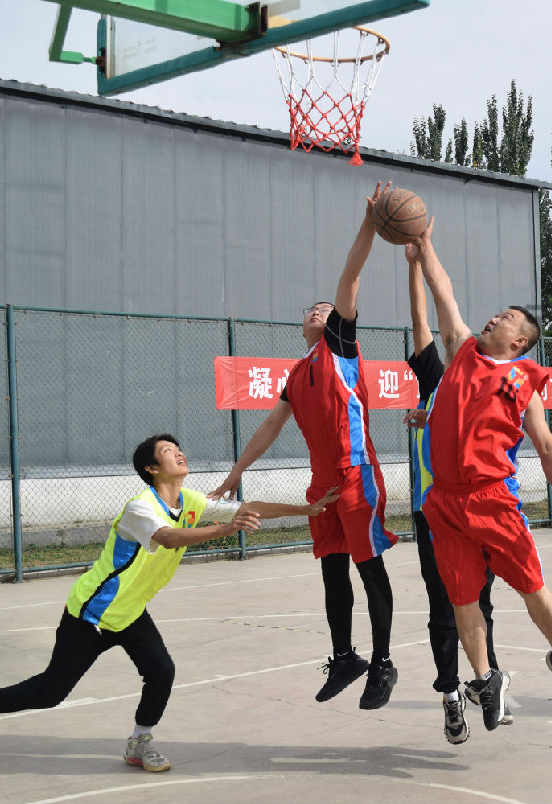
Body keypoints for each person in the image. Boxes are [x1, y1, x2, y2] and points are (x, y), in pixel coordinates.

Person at [0, 433, 336, 771]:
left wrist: (306, 509)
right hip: (93, 613)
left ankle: (139, 742)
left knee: (161, 671)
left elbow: (248, 507)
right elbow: (168, 537)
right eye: (168, 451)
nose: (179, 453)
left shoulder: (190, 500)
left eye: (178, 448)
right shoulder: (140, 508)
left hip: (130, 613)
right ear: (152, 469)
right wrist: (225, 529)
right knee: (50, 692)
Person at [209, 182, 399, 710]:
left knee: (368, 568)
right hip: (322, 483)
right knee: (331, 569)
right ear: (301, 327)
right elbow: (270, 427)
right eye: (311, 310)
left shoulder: (340, 346)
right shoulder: (297, 374)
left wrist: (369, 225)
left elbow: (349, 276)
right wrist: (236, 472)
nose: (319, 311)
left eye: (326, 308)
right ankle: (345, 657)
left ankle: (383, 662)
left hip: (355, 472)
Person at [410, 218, 552, 733]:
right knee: (463, 599)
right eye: (498, 313)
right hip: (445, 502)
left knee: (532, 587)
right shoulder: (462, 350)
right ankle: (485, 679)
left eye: (507, 318)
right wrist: (424, 244)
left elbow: (547, 447)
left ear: (521, 340)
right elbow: (443, 292)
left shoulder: (521, 384)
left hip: (493, 500)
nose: (495, 318)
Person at [403, 246, 511, 745]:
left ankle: (486, 682)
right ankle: (450, 695)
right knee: (442, 607)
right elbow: (421, 320)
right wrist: (413, 266)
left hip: (478, 508)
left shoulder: (492, 386)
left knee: (479, 600)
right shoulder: (437, 375)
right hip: (433, 510)